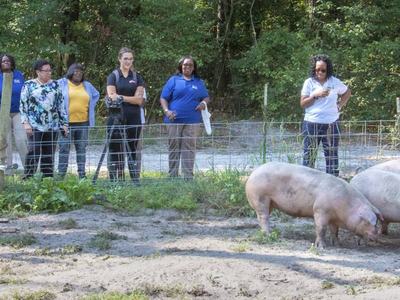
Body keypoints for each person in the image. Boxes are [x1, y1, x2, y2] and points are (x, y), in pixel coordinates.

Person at [160, 55, 210, 180]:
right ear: (181, 66)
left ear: (194, 68)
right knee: (174, 147)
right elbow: (163, 98)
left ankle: (188, 177)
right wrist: (167, 111)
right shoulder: (174, 80)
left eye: (190, 65)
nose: (187, 67)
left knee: (189, 148)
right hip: (173, 120)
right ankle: (172, 176)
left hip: (192, 122)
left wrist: (203, 103)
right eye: (185, 64)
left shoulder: (198, 82)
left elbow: (206, 97)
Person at [300, 54, 351, 176]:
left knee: (332, 155)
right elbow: (303, 103)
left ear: (328, 70)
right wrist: (315, 95)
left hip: (331, 124)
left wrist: (339, 105)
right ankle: (307, 182)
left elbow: (347, 92)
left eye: (323, 70)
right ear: (313, 69)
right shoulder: (309, 82)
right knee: (309, 154)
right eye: (317, 69)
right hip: (311, 123)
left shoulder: (334, 82)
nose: (320, 72)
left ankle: (333, 183)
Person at [20, 59, 68, 178]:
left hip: (52, 124)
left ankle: (47, 178)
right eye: (45, 71)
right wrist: (25, 122)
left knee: (49, 152)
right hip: (34, 125)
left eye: (50, 70)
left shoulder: (56, 85)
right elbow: (23, 104)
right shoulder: (28, 85)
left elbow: (61, 105)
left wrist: (64, 123)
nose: (49, 73)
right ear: (38, 72)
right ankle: (28, 177)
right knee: (34, 151)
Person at [106, 47, 145, 183]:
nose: (128, 61)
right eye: (125, 58)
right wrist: (129, 98)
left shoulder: (137, 77)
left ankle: (134, 179)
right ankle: (115, 180)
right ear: (119, 59)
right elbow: (111, 97)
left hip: (134, 118)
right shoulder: (113, 76)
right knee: (115, 149)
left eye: (130, 58)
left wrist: (121, 97)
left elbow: (139, 100)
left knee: (132, 148)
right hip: (116, 117)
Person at [57, 63, 100, 179]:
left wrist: (90, 107)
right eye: (75, 71)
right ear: (70, 72)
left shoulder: (87, 85)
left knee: (81, 148)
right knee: (64, 148)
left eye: (81, 72)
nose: (78, 74)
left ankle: (82, 175)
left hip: (83, 123)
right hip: (66, 124)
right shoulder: (62, 83)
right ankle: (61, 175)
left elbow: (96, 95)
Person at [0, 54, 28, 173]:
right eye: (3, 61)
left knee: (21, 140)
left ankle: (28, 170)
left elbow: (25, 92)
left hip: (18, 112)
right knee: (6, 142)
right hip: (3, 113)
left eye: (8, 60)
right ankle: (7, 171)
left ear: (12, 62)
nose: (6, 62)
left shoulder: (19, 75)